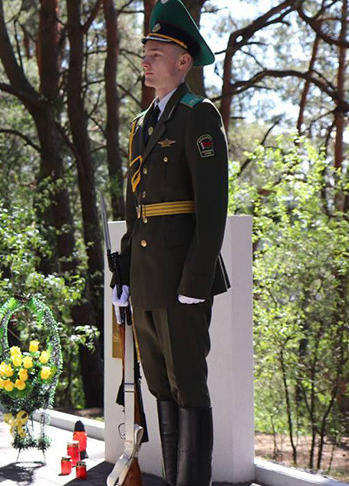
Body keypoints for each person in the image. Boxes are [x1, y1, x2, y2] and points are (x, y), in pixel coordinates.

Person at [111, 1, 230, 484]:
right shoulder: (143, 123)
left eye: (156, 52)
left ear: (184, 62)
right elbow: (132, 208)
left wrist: (196, 278)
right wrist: (124, 273)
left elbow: (212, 204)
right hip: (146, 278)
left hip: (182, 275)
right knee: (159, 384)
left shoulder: (198, 116)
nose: (146, 59)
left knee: (188, 387)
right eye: (145, 51)